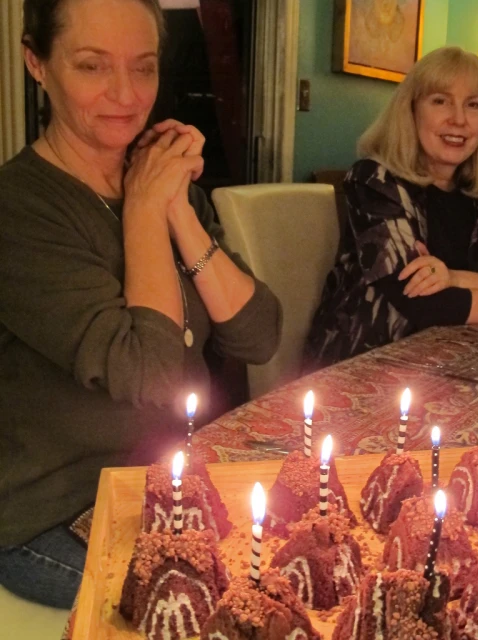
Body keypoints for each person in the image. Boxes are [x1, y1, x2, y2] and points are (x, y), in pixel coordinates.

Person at [0, 0, 281, 609]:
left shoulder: (160, 179)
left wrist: (177, 209)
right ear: (36, 63)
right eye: (93, 67)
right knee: (225, 607)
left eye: (145, 67)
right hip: (55, 514)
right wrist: (145, 212)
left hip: (171, 488)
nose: (125, 95)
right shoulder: (19, 208)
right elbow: (152, 371)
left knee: (308, 568)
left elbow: (260, 335)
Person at [305, 46, 478, 371]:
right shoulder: (374, 180)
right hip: (361, 366)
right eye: (440, 101)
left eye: (473, 105)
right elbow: (426, 303)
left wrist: (453, 278)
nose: (458, 119)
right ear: (411, 110)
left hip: (458, 363)